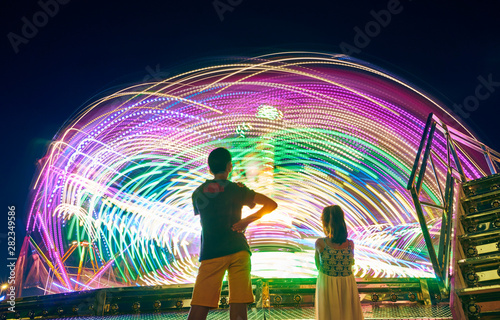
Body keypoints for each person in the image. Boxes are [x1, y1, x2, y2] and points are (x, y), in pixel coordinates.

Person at [187, 147, 278, 320]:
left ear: (209, 168)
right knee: (238, 308)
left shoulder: (198, 193)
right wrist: (246, 220)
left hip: (212, 252)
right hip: (238, 250)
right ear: (230, 166)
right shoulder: (237, 189)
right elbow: (271, 204)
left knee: (199, 307)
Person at [315, 205, 364, 320]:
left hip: (327, 285)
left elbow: (318, 266)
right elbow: (350, 263)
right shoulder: (351, 244)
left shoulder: (320, 243)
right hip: (347, 285)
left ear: (325, 222)